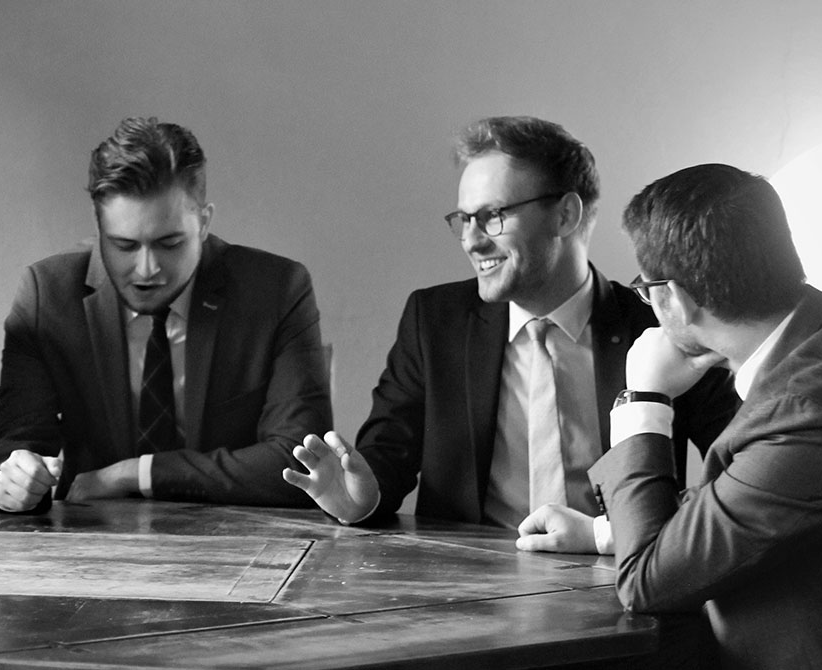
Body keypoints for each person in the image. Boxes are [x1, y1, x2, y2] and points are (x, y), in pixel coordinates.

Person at [283, 117, 735, 552]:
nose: (471, 240)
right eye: (463, 219)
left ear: (565, 215)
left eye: (492, 216)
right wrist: (361, 499)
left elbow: (741, 469)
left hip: (617, 572)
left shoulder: (658, 323)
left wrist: (616, 534)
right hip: (468, 581)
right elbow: (387, 453)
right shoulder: (435, 319)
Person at [0, 116, 332, 513]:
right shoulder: (48, 295)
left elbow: (303, 464)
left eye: (169, 243)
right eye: (124, 245)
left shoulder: (276, 291)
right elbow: (13, 448)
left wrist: (137, 474)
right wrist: (12, 484)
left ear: (204, 222)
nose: (146, 269)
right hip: (92, 538)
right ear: (99, 229)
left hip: (242, 535)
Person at [589, 163, 822, 668]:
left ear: (674, 298)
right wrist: (602, 534)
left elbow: (647, 583)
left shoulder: (804, 410)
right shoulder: (814, 345)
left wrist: (644, 398)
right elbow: (757, 499)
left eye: (646, 288)